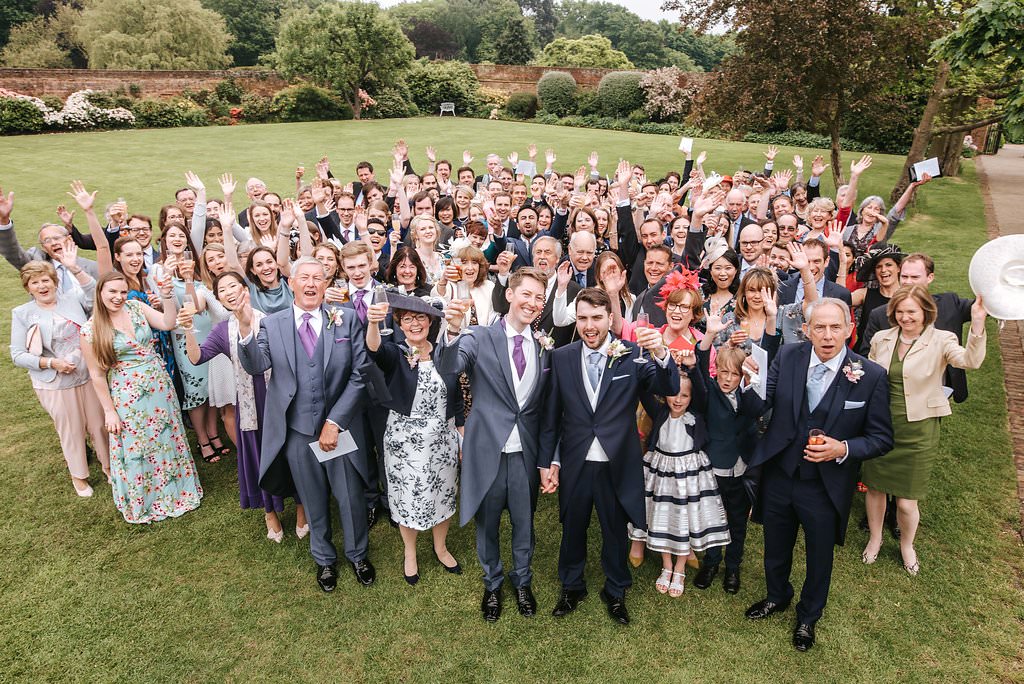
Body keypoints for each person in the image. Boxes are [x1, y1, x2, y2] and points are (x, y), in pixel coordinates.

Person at [744, 298, 893, 652]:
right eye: (820, 328)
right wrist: (749, 383)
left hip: (825, 486)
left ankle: (809, 616)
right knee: (775, 545)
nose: (827, 335)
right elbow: (759, 405)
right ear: (807, 330)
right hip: (781, 474)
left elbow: (882, 438)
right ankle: (777, 595)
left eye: (835, 327)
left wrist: (842, 448)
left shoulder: (870, 375)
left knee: (819, 555)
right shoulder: (788, 356)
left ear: (849, 330)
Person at [539, 288, 679, 624]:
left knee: (615, 530)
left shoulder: (633, 355)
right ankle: (572, 586)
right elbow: (551, 417)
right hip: (575, 461)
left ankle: (616, 590)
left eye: (596, 318)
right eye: (583, 318)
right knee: (572, 527)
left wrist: (661, 351)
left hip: (617, 462)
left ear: (610, 319)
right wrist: (548, 462)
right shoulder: (561, 357)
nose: (589, 326)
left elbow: (669, 387)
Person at [238, 257, 375, 591]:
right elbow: (256, 365)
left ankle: (358, 555)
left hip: (339, 428)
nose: (312, 284)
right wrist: (244, 328)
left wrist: (335, 421)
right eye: (305, 278)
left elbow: (360, 374)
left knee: (349, 496)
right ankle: (324, 559)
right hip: (297, 431)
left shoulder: (345, 319)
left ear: (326, 285)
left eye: (318, 278)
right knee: (312, 498)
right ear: (292, 283)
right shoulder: (273, 324)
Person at [437, 268, 552, 623]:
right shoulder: (479, 336)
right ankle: (492, 583)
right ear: (510, 295)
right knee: (487, 525)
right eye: (526, 294)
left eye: (539, 297)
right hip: (487, 450)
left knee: (524, 523)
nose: (532, 303)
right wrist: (452, 331)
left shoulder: (544, 346)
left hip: (525, 454)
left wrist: (548, 459)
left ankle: (522, 581)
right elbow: (449, 366)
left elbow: (545, 409)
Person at [862, 286, 988, 575]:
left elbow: (971, 361)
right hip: (880, 425)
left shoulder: (943, 339)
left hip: (918, 430)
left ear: (926, 311)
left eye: (912, 311)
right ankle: (875, 538)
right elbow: (870, 375)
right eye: (900, 311)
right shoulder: (882, 338)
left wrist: (978, 324)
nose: (905, 317)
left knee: (907, 502)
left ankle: (907, 545)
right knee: (875, 488)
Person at [178, 271, 308, 543]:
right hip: (250, 404)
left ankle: (301, 506)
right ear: (219, 298)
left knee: (290, 452)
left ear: (245, 289)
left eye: (232, 286)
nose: (228, 292)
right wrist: (188, 329)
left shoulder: (271, 320)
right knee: (259, 457)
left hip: (278, 398)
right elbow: (197, 357)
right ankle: (269, 511)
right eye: (222, 290)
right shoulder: (222, 330)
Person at [80, 271, 203, 524]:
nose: (118, 297)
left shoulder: (136, 307)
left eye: (122, 291)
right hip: (127, 394)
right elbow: (97, 375)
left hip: (159, 385)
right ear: (100, 292)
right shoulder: (90, 329)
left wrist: (166, 296)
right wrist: (109, 411)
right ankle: (146, 499)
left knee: (166, 436)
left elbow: (168, 323)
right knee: (138, 445)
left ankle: (177, 491)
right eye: (112, 292)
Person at [365, 293, 464, 584]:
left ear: (430, 321)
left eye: (420, 317)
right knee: (406, 497)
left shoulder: (444, 352)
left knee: (444, 494)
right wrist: (373, 323)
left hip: (442, 440)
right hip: (404, 442)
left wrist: (461, 436)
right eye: (407, 319)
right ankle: (410, 552)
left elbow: (456, 396)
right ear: (400, 325)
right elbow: (374, 350)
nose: (415, 324)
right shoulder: (396, 353)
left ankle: (440, 547)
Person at [633, 350, 730, 598]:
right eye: (674, 393)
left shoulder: (696, 414)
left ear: (691, 397)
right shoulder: (659, 412)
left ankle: (680, 568)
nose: (678, 400)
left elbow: (701, 389)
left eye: (685, 395)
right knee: (662, 516)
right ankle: (667, 565)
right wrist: (653, 361)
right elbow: (643, 389)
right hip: (662, 472)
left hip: (689, 474)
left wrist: (693, 367)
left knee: (685, 518)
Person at [10, 258, 109, 496]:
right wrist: (51, 363)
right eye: (35, 282)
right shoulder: (22, 313)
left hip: (86, 374)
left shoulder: (73, 299)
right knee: (71, 429)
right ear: (28, 287)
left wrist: (75, 268)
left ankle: (109, 466)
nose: (41, 286)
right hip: (54, 382)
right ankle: (79, 476)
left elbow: (94, 295)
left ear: (55, 282)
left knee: (99, 424)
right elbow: (17, 355)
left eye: (45, 280)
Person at [859, 253, 975, 402]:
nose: (908, 282)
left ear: (930, 277)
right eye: (904, 277)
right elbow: (867, 355)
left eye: (914, 277)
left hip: (937, 396)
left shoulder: (949, 304)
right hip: (895, 396)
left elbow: (985, 307)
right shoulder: (880, 314)